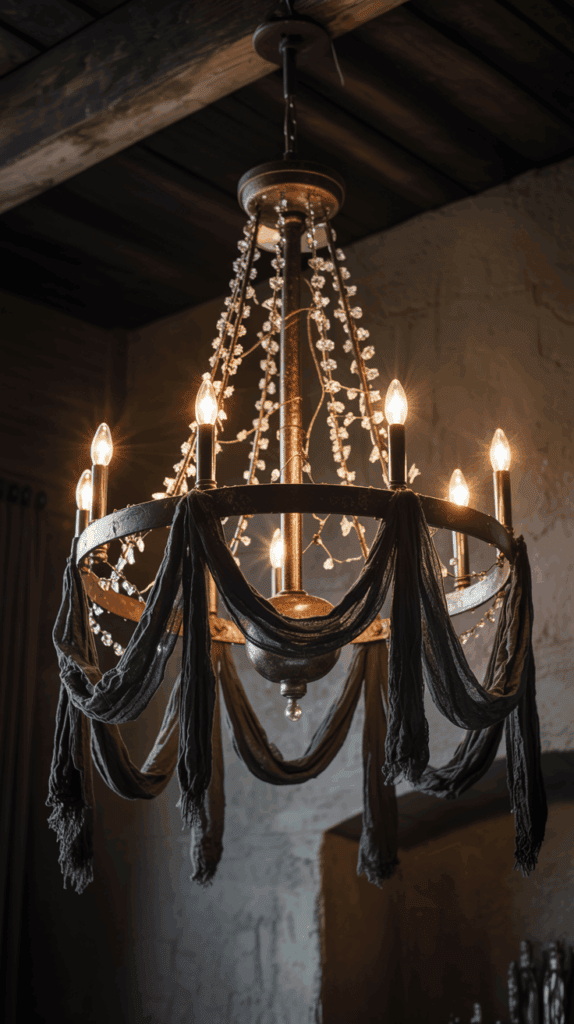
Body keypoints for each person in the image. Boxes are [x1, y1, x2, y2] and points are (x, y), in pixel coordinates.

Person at [542, 942, 566, 1024]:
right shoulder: (547, 981)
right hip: (550, 1014)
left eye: (556, 957)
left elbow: (562, 1001)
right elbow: (546, 1002)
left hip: (558, 1012)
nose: (554, 960)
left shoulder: (561, 981)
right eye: (552, 957)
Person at [519, 940, 540, 1024]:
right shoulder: (520, 974)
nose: (525, 956)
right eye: (522, 952)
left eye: (526, 952)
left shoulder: (533, 972)